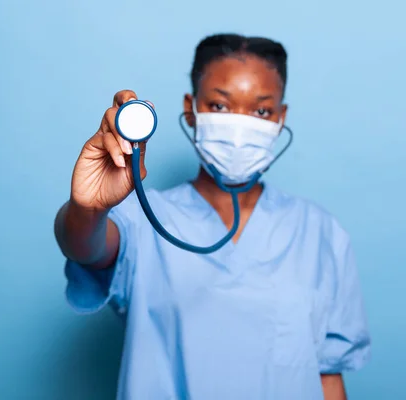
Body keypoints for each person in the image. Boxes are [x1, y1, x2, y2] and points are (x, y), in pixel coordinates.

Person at [54, 33, 371, 400]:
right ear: (192, 109)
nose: (240, 127)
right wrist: (89, 207)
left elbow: (327, 378)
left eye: (261, 111)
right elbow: (84, 246)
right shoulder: (144, 220)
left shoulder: (320, 233)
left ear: (281, 118)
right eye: (220, 107)